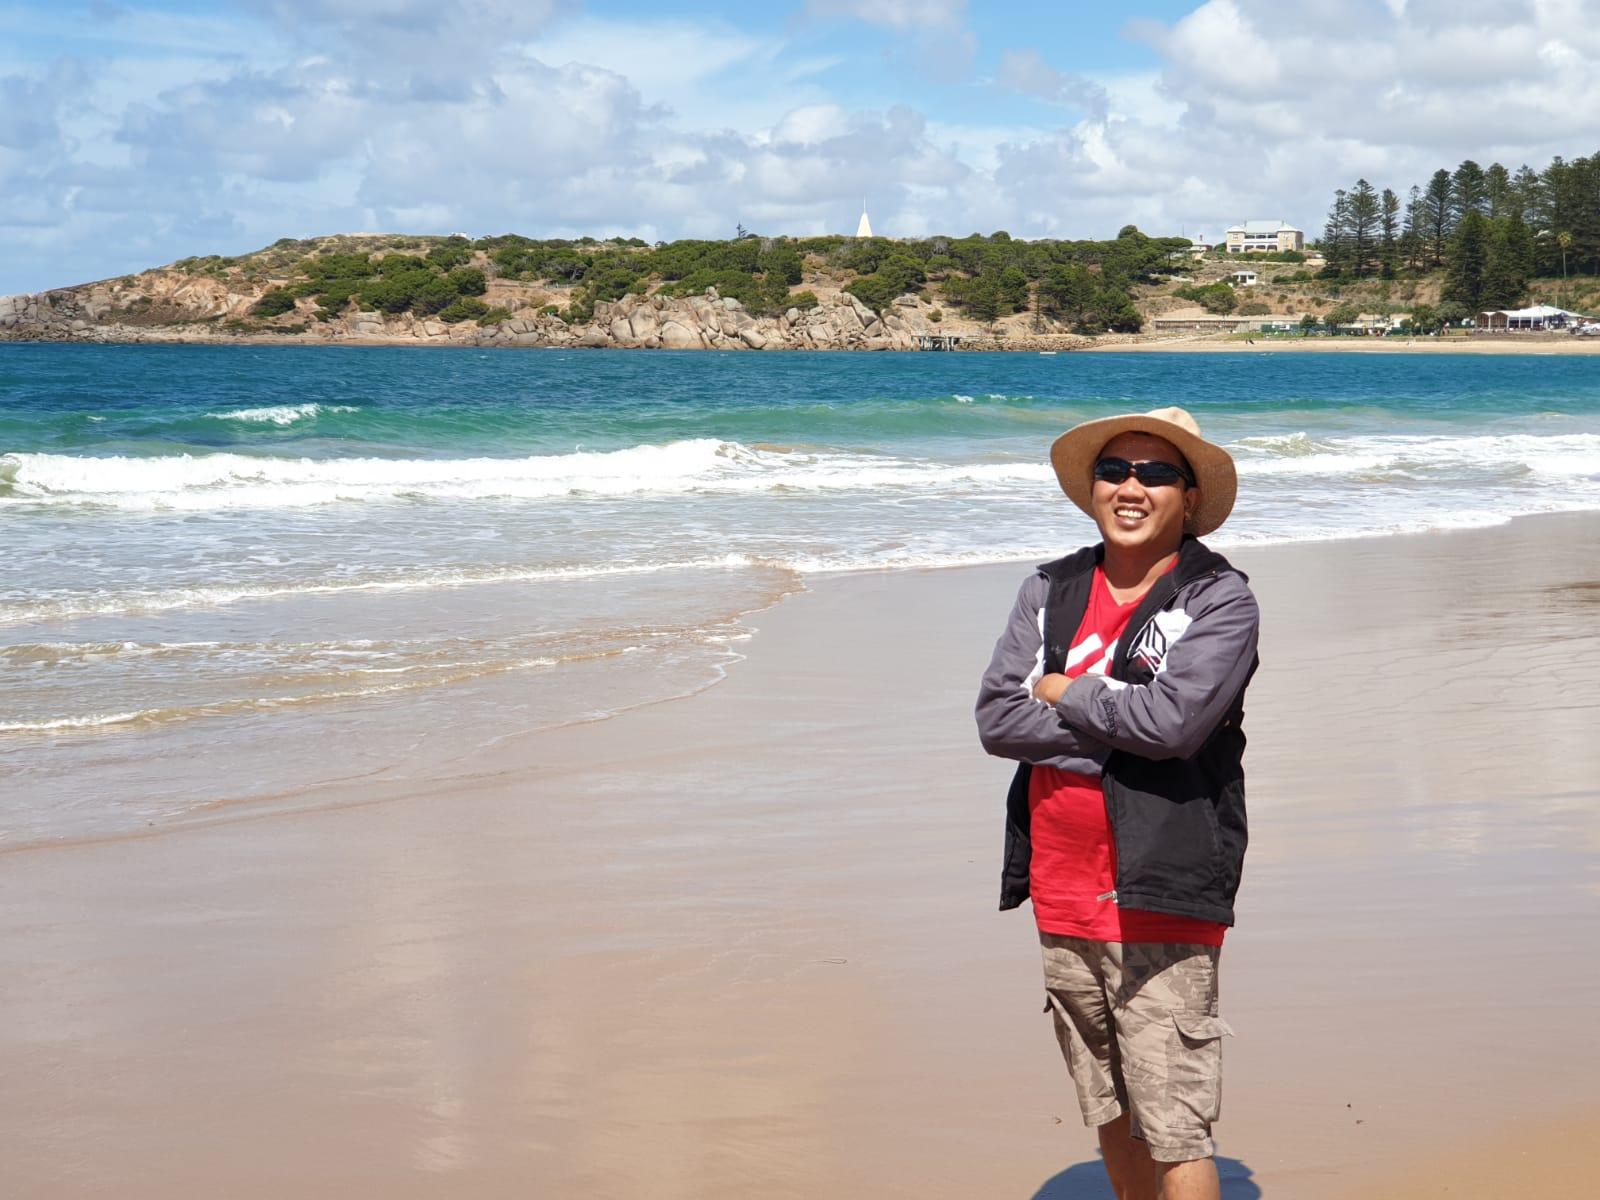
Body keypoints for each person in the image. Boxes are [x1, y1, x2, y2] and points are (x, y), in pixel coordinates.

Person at [974, 407, 1260, 1200]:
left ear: (1190, 497)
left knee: (1174, 1124)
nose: (1131, 487)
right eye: (1115, 471)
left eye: (1156, 473)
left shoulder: (1218, 600)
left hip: (1160, 888)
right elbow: (999, 719)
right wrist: (1118, 724)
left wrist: (1067, 692)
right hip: (1060, 889)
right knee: (1107, 1103)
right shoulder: (1049, 588)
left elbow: (1174, 725)